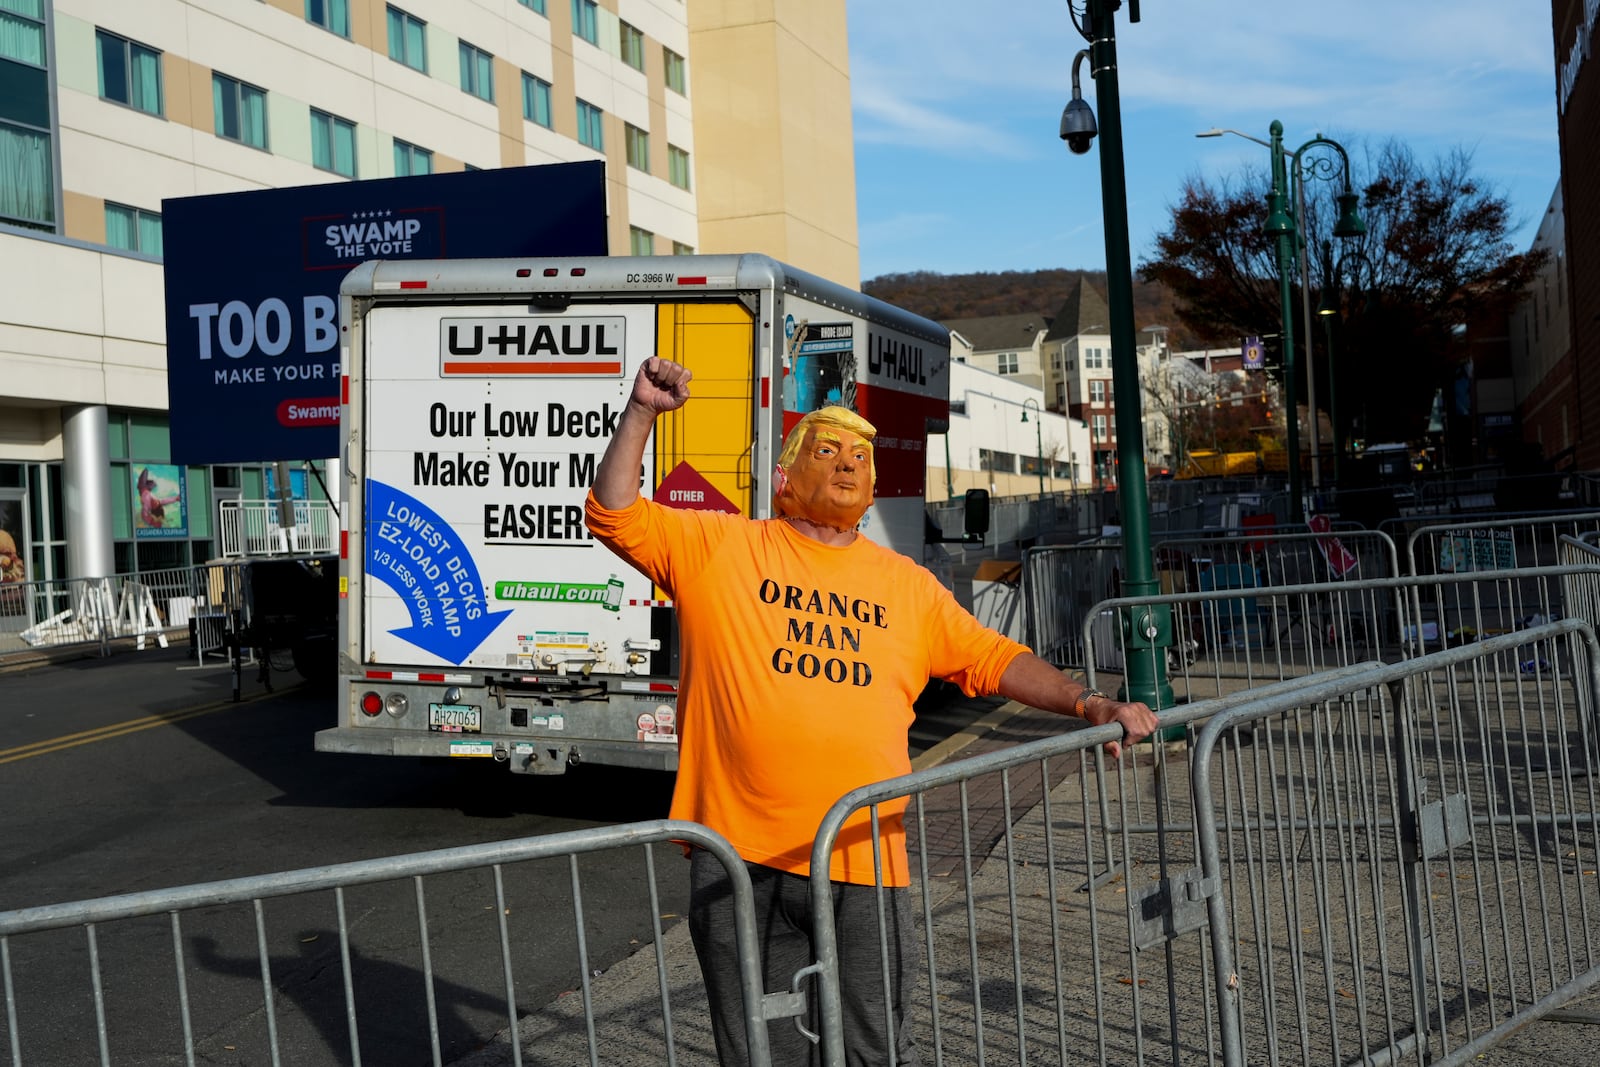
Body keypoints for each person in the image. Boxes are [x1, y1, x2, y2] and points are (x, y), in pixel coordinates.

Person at [586, 356, 1161, 1066]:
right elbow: (614, 512)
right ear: (782, 480)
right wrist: (640, 411)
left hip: (865, 861)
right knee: (760, 1054)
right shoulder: (720, 547)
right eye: (825, 450)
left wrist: (1088, 698)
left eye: (859, 454)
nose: (847, 463)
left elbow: (994, 658)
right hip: (740, 858)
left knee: (874, 1048)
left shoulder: (907, 587)